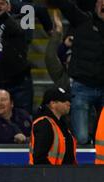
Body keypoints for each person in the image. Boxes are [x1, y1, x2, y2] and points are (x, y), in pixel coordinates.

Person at [45, 0, 104, 144]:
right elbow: (66, 5)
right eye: (101, 1)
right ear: (95, 4)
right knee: (82, 138)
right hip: (81, 87)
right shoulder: (82, 20)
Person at [29, 86, 77, 165]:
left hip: (61, 174)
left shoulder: (62, 124)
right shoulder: (44, 124)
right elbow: (39, 158)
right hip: (49, 174)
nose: (69, 103)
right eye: (64, 100)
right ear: (52, 104)